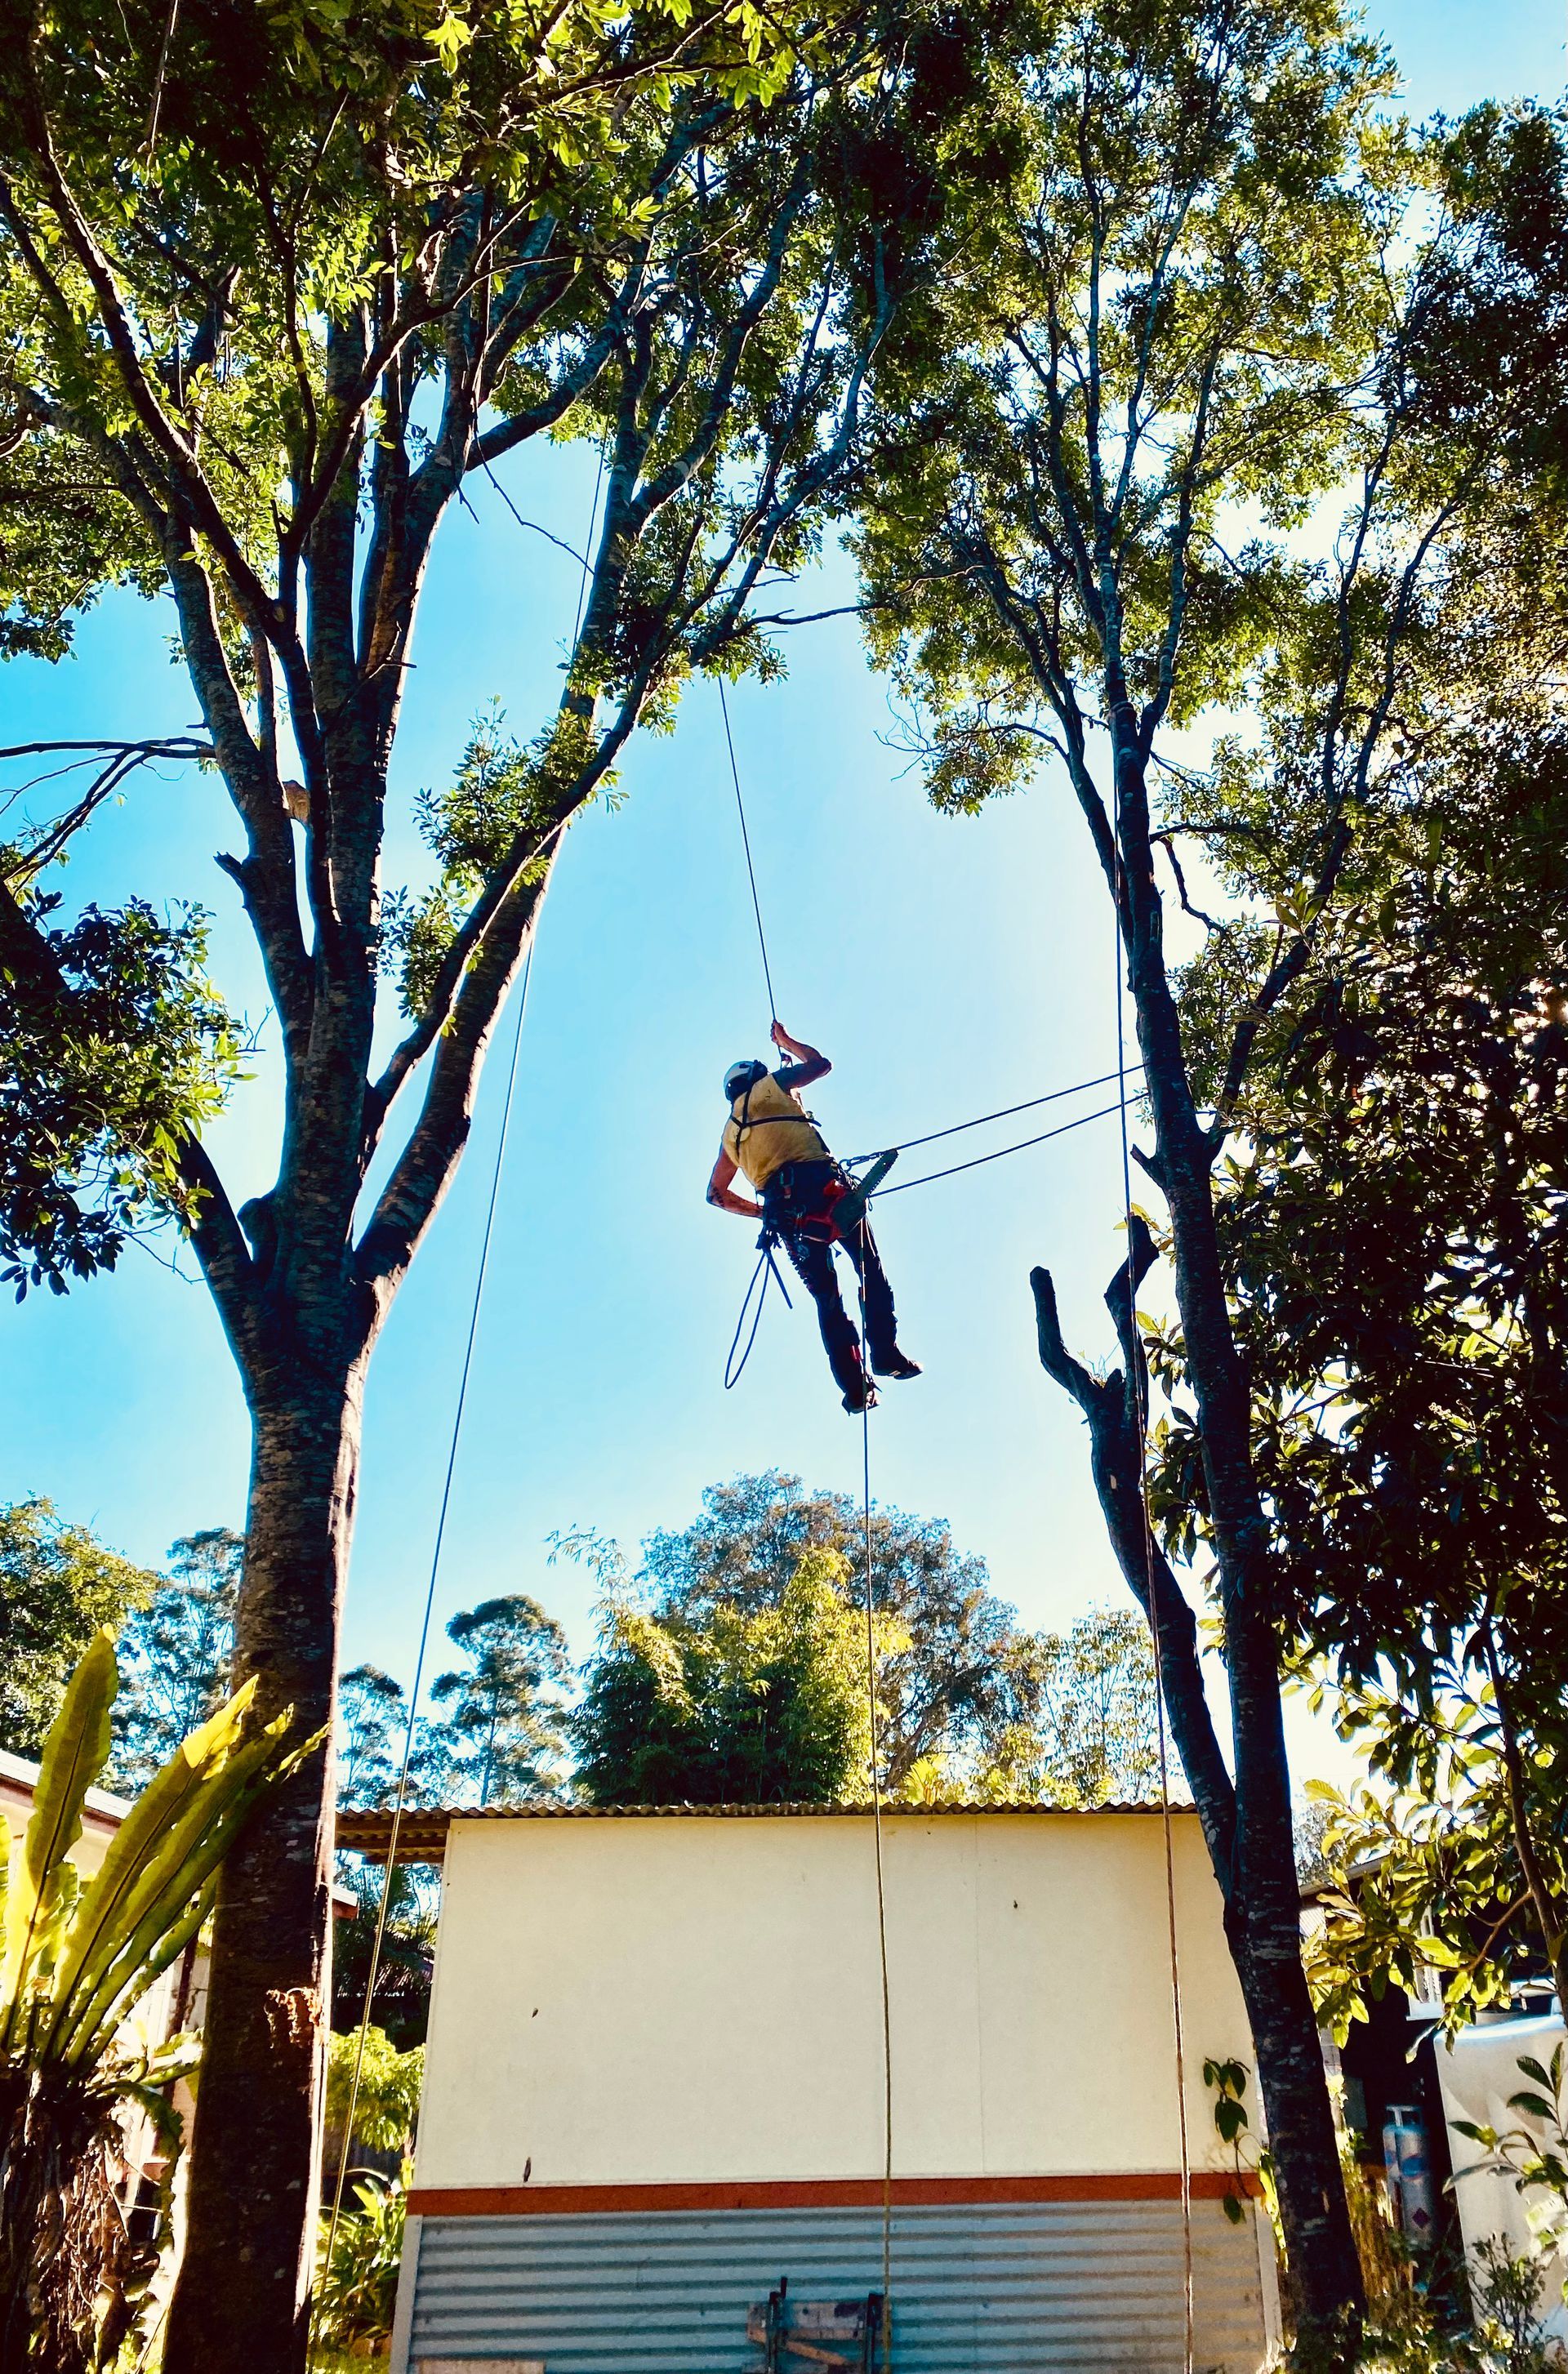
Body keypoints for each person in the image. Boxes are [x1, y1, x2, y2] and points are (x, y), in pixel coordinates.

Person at [706, 1020, 920, 1413]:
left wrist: (762, 1212)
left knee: (828, 1299)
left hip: (788, 1217)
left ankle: (855, 1389)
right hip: (825, 1193)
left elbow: (715, 1194)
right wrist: (786, 1042)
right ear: (757, 1076)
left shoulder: (730, 1134)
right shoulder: (770, 1086)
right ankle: (885, 1353)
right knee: (869, 1270)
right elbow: (820, 1065)